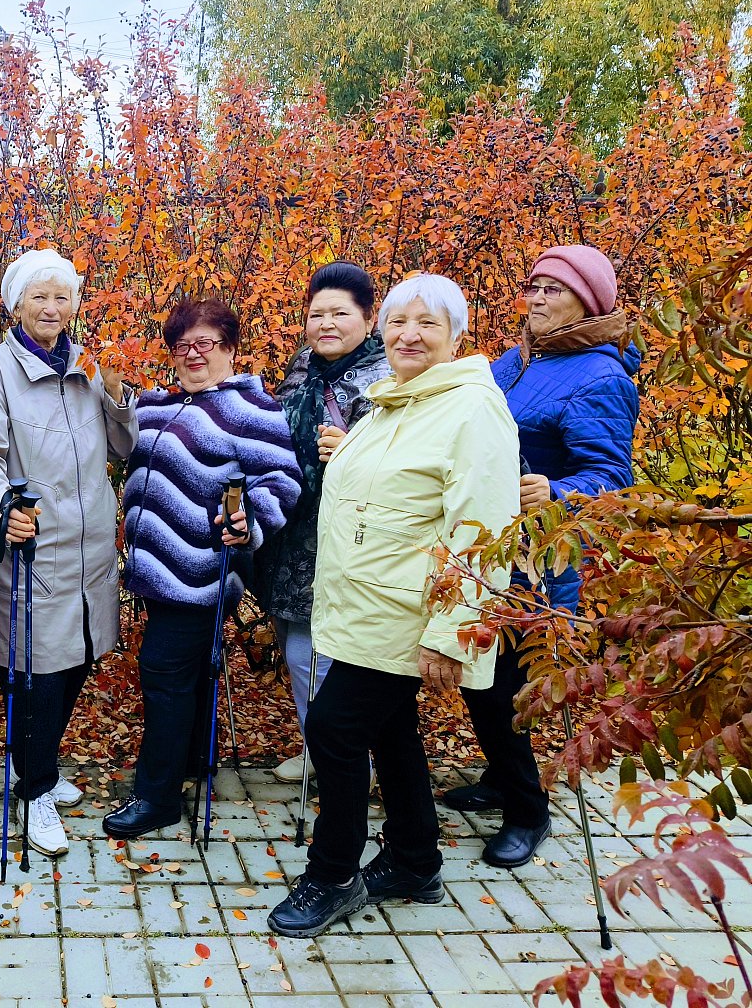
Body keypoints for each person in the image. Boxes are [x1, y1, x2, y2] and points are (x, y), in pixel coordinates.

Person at [268, 274, 520, 938]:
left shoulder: (471, 410)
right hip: (366, 606)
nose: (408, 335)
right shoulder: (397, 401)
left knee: (334, 729)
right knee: (389, 730)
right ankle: (413, 860)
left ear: (457, 333)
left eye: (427, 323)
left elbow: (483, 530)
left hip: (408, 615)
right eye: (398, 322)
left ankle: (332, 874)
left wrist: (454, 631)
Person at [441, 245, 639, 867]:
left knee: (500, 684)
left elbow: (613, 479)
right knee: (485, 676)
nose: (538, 297)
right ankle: (501, 779)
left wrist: (555, 490)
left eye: (555, 288)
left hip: (539, 559)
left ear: (589, 301)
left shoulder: (601, 377)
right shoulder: (520, 359)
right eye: (534, 285)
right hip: (491, 546)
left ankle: (529, 812)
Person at [0, 249, 137, 856]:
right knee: (36, 675)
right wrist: (2, 504)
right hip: (32, 542)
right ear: (16, 305)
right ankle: (35, 792)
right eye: (39, 296)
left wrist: (119, 397)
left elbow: (122, 447)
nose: (52, 308)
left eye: (62, 297)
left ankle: (37, 768)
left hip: (90, 547)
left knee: (80, 658)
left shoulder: (88, 366)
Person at [102, 297, 302, 840]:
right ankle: (190, 764)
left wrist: (249, 520)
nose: (193, 354)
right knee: (183, 677)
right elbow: (116, 433)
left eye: (205, 343)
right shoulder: (157, 405)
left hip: (201, 574)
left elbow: (282, 480)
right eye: (182, 345)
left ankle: (157, 797)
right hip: (155, 573)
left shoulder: (251, 408)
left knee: (163, 675)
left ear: (230, 348)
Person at [254, 262, 391, 784]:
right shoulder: (302, 367)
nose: (326, 324)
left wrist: (354, 451)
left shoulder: (387, 380)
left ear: (369, 318)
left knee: (319, 656)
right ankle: (320, 750)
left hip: (349, 542)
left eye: (340, 313)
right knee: (297, 647)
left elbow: (408, 465)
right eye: (317, 314)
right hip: (292, 539)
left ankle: (347, 760)